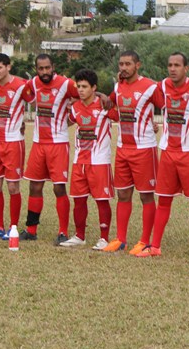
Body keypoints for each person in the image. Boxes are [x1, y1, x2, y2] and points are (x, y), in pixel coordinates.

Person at [135, 52, 189, 262]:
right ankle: (155, 246)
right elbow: (139, 91)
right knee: (164, 200)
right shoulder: (162, 85)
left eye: (177, 65)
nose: (173, 69)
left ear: (186, 68)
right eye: (170, 65)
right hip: (167, 152)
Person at [101, 51, 161, 254]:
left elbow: (167, 106)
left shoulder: (150, 86)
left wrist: (153, 124)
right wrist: (103, 98)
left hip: (144, 148)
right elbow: (110, 105)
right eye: (121, 64)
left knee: (146, 195)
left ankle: (144, 241)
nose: (124, 68)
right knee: (123, 193)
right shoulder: (118, 87)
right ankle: (120, 239)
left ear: (138, 65)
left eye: (128, 64)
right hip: (122, 148)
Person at [21, 53, 80, 243]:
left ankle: (63, 232)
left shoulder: (66, 84)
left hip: (58, 143)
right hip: (38, 142)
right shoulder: (33, 83)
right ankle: (31, 230)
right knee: (34, 186)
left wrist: (73, 110)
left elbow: (85, 93)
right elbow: (23, 93)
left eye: (47, 68)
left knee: (58, 188)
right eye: (41, 68)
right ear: (36, 69)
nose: (45, 71)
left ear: (53, 67)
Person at [62, 68, 115, 249]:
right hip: (79, 161)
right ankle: (79, 236)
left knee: (101, 200)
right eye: (79, 86)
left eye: (85, 87)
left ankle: (104, 238)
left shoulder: (104, 105)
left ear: (94, 88)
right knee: (78, 199)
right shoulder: (75, 107)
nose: (81, 90)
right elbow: (69, 121)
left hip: (99, 161)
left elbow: (123, 116)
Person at [0, 52, 34, 239]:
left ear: (8, 67)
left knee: (13, 186)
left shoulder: (21, 85)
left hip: (13, 142)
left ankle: (13, 227)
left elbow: (38, 98)